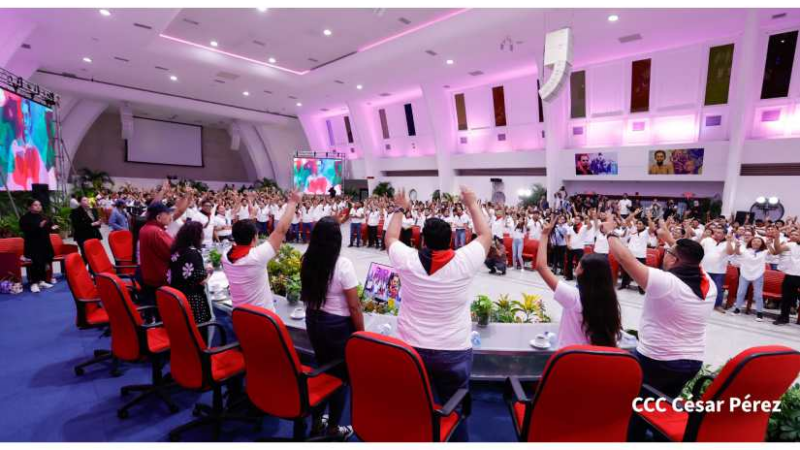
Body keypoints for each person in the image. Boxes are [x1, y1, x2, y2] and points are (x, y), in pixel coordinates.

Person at [384, 186, 491, 442]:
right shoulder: (464, 261)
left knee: (413, 406)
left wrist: (399, 208)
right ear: (452, 241)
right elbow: (486, 234)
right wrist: (472, 203)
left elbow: (390, 238)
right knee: (455, 410)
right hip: (453, 351)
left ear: (421, 241)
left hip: (410, 350)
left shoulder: (408, 260)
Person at [601, 215, 715, 400]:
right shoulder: (708, 283)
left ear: (674, 260)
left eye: (668, 252)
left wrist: (610, 233)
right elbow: (692, 259)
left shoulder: (666, 283)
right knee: (662, 405)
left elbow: (624, 258)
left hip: (658, 360)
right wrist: (670, 240)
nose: (665, 253)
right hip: (692, 361)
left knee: (638, 405)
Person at [301, 217, 364, 440]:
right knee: (341, 377)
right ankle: (333, 428)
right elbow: (354, 307)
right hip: (337, 328)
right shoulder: (342, 265)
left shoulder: (307, 259)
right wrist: (361, 334)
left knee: (322, 368)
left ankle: (317, 421)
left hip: (314, 321)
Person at [536, 216, 622, 348]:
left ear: (583, 272)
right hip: (592, 358)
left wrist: (544, 235)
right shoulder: (609, 300)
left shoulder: (573, 297)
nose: (576, 267)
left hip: (569, 357)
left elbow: (541, 266)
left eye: (579, 265)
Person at [223, 191, 300, 311]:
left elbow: (241, 231)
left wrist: (251, 216)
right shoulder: (257, 256)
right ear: (255, 238)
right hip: (263, 318)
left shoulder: (225, 255)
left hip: (239, 316)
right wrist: (293, 202)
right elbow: (281, 230)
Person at [168, 221, 213, 329]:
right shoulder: (193, 252)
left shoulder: (177, 250)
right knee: (199, 333)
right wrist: (209, 272)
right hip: (193, 302)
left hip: (177, 297)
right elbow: (201, 280)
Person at [138, 202, 175, 304]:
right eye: (167, 215)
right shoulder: (156, 232)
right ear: (158, 217)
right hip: (160, 278)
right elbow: (173, 252)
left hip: (149, 276)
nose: (170, 218)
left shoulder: (145, 228)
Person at [19, 200, 58, 293]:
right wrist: (38, 226)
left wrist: (52, 227)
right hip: (32, 245)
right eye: (35, 205)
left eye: (39, 205)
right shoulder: (25, 218)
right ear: (29, 207)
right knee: (35, 263)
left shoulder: (43, 216)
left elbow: (48, 227)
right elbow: (26, 231)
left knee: (44, 262)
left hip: (44, 243)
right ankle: (33, 283)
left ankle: (42, 281)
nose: (38, 206)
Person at [730, 236, 768, 321]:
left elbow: (773, 252)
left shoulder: (765, 251)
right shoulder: (745, 250)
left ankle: (759, 312)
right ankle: (737, 309)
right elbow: (738, 252)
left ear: (762, 243)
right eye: (754, 241)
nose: (756, 243)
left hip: (758, 274)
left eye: (759, 241)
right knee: (741, 292)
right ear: (751, 242)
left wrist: (770, 244)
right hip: (744, 273)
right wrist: (737, 246)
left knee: (758, 295)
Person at [769, 229, 800, 325]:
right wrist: (777, 238)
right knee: (786, 298)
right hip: (790, 275)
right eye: (794, 234)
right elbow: (777, 250)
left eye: (797, 234)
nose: (795, 236)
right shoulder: (791, 245)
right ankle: (784, 317)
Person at [700, 226, 730, 313]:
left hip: (719, 271)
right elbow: (698, 247)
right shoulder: (707, 240)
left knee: (718, 289)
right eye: (715, 232)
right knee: (702, 287)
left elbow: (730, 252)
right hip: (705, 269)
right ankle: (700, 302)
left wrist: (728, 240)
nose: (716, 234)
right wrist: (703, 236)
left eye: (719, 232)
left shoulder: (728, 243)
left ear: (724, 234)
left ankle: (717, 305)